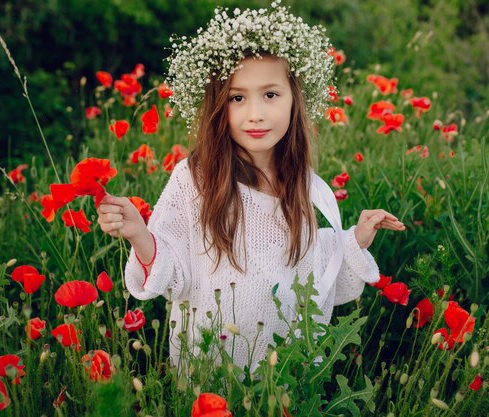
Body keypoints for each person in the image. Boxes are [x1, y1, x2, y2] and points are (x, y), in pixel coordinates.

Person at [96, 1, 405, 371]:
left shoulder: (305, 185)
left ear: (295, 100)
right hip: (213, 373)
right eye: (237, 98)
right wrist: (139, 234)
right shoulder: (195, 179)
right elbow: (173, 269)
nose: (255, 113)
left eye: (270, 95)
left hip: (285, 376)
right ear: (217, 105)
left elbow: (303, 265)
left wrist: (355, 240)